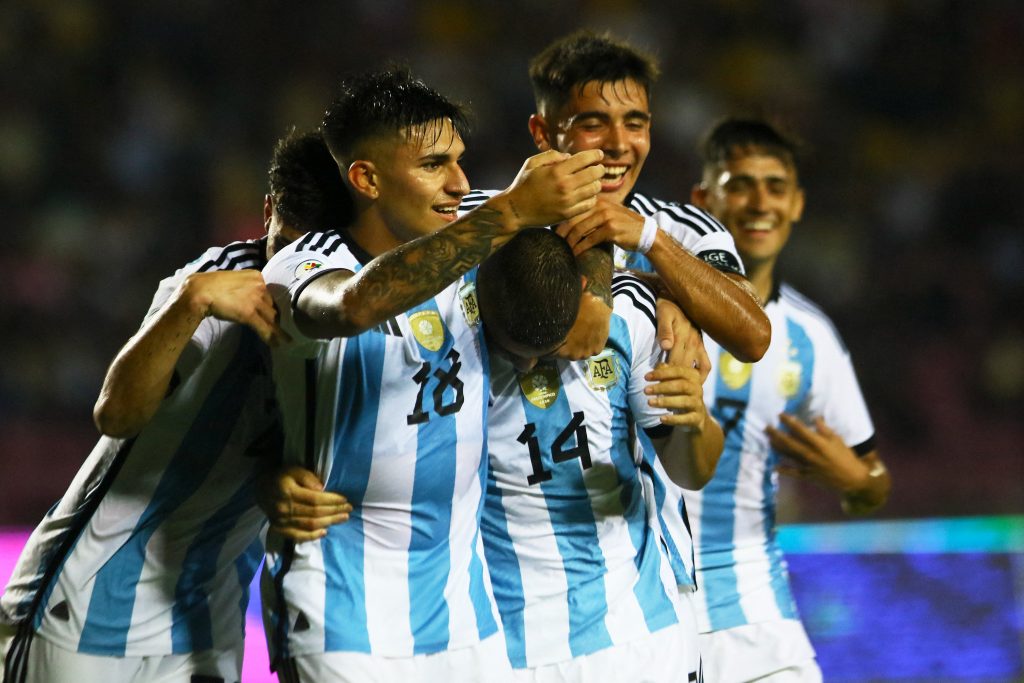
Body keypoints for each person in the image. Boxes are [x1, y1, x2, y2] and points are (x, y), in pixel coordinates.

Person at [258, 68, 604, 683]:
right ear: (366, 178)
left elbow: (596, 229)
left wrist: (630, 297)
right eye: (433, 165)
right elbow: (353, 307)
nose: (459, 183)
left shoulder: (473, 226)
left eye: (460, 162)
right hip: (342, 608)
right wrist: (510, 213)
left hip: (464, 613)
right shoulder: (302, 264)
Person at [0, 128, 351, 683]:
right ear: (265, 215)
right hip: (84, 615)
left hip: (203, 628)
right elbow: (115, 415)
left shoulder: (342, 310)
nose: (291, 276)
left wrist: (278, 481)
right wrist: (190, 303)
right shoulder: (210, 285)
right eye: (286, 247)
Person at [683, 116, 893, 682]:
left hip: (758, 620)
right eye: (741, 183)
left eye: (776, 187)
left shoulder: (810, 337)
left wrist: (856, 482)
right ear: (702, 199)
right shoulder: (644, 305)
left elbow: (873, 481)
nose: (760, 202)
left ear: (797, 204)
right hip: (648, 621)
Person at [481, 250, 722, 683]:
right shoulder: (453, 327)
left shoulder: (629, 321)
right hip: (512, 649)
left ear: (586, 296)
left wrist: (696, 421)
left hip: (641, 636)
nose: (528, 365)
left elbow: (693, 471)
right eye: (518, 349)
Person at [460, 29, 770, 365]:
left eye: (634, 125)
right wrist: (658, 290)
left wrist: (651, 241)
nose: (619, 145)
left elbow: (753, 336)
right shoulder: (483, 218)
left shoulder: (681, 228)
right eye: (593, 125)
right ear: (543, 133)